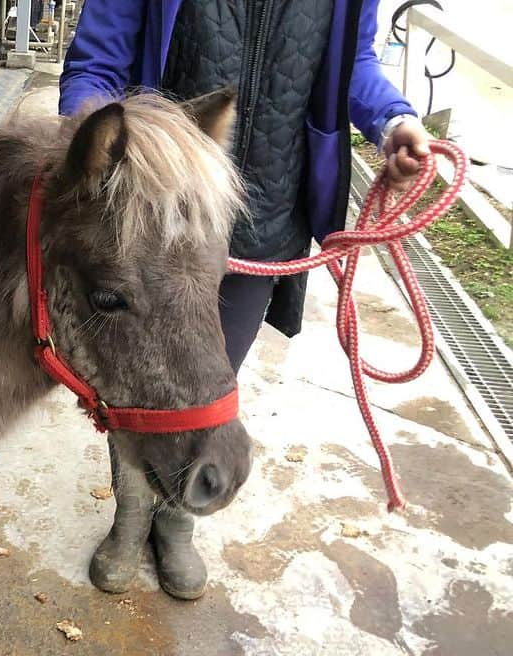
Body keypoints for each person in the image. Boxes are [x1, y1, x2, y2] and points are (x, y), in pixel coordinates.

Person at [60, 0, 431, 599]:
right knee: (148, 372)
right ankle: (130, 515)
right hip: (162, 225)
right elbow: (97, 65)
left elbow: (352, 64)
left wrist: (393, 121)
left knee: (212, 372)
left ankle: (176, 520)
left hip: (267, 216)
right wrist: (95, 144)